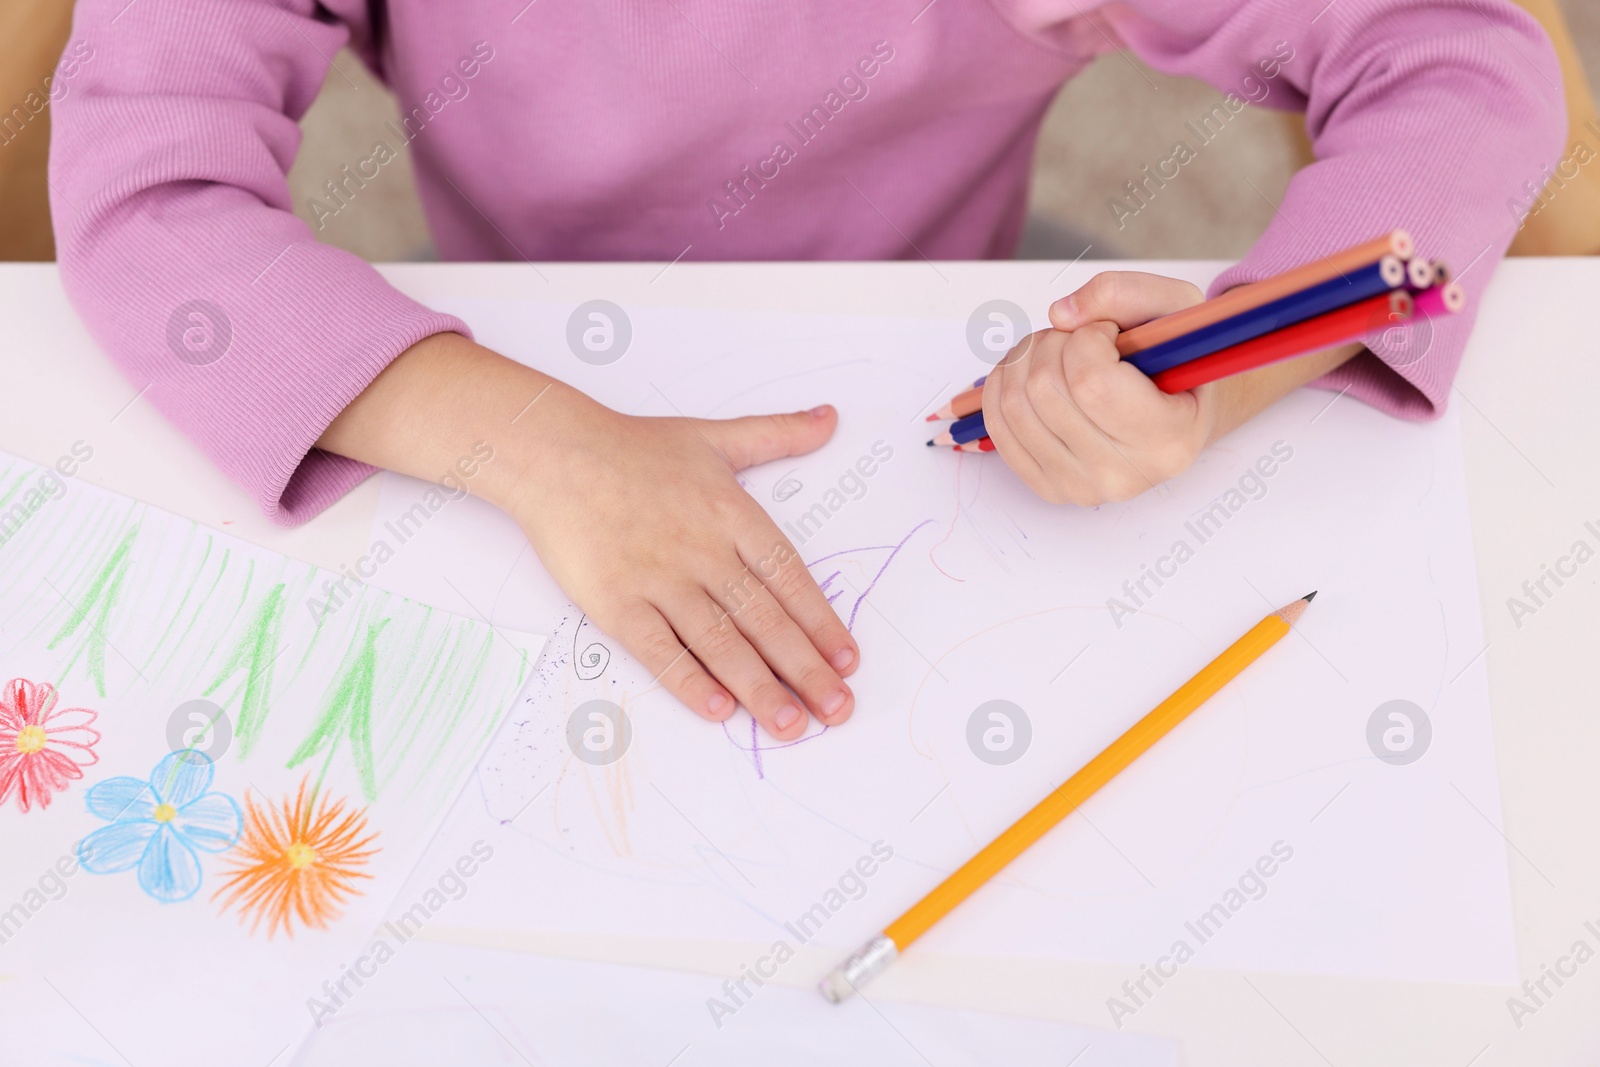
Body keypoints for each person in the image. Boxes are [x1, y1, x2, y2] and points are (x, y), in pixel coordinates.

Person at [49, 0, 1563, 740]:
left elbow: (1465, 65)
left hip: (917, 360)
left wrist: (1221, 376)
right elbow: (143, 186)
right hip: (496, 358)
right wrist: (537, 443)